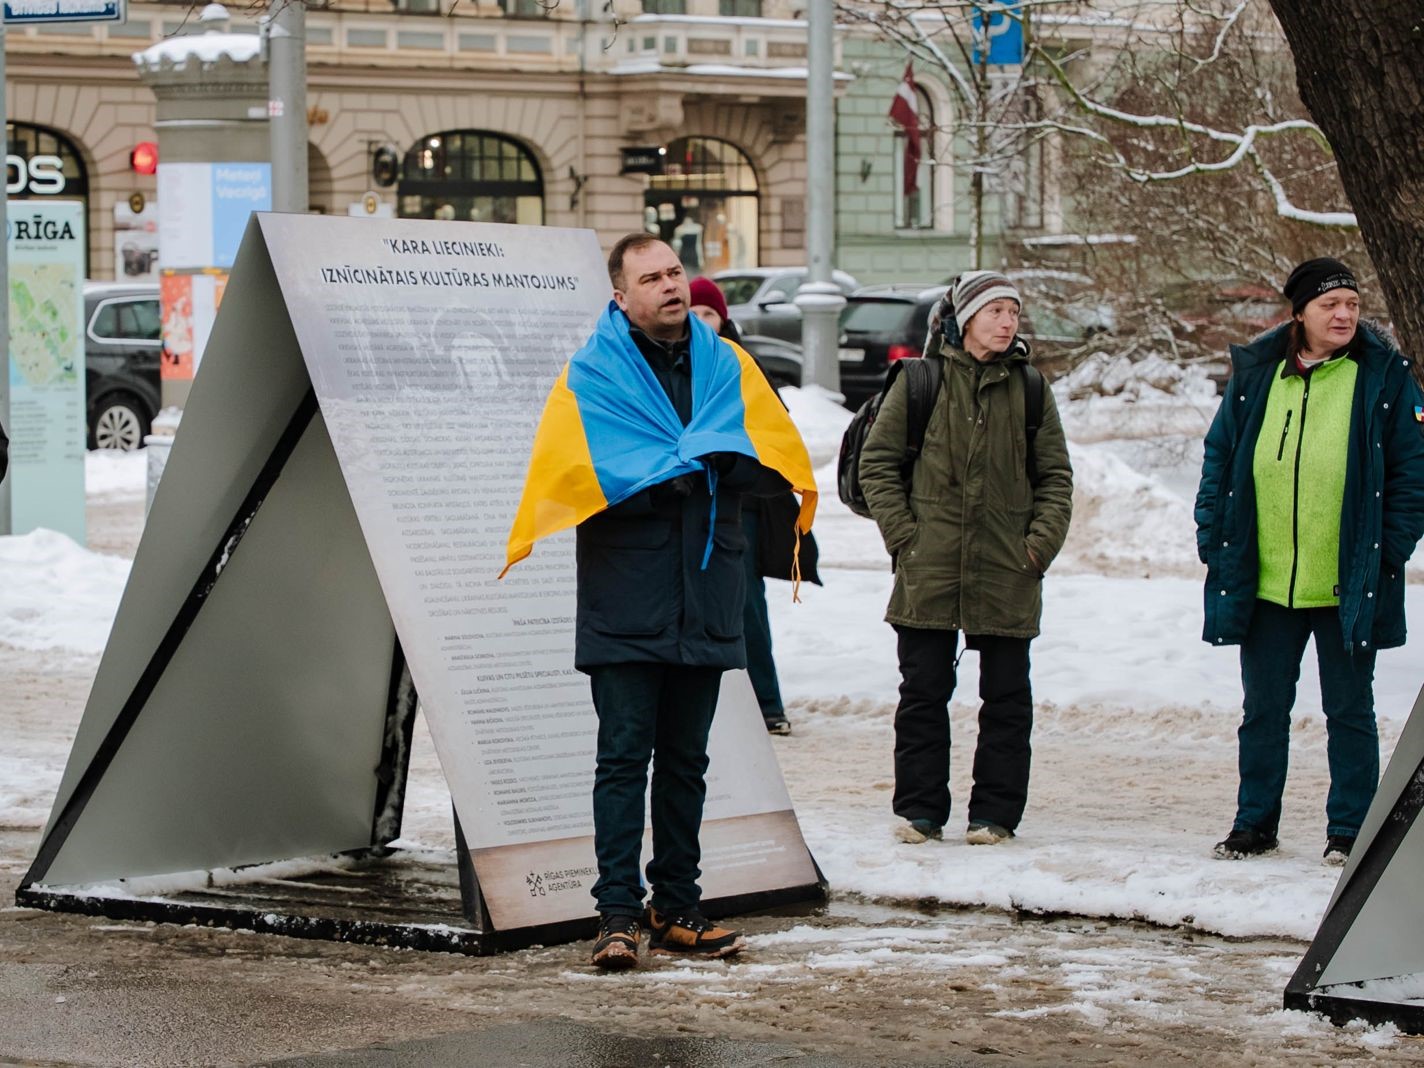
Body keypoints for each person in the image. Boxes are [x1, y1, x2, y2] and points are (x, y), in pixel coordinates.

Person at [504, 234, 816, 971]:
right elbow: (573, 478)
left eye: (676, 272)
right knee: (622, 760)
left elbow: (772, 461)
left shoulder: (729, 368)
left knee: (686, 762)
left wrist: (723, 464)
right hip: (627, 595)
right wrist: (665, 471)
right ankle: (616, 914)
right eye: (652, 278)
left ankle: (677, 905)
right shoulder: (593, 377)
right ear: (621, 296)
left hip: (705, 593)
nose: (671, 286)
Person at [1196, 257, 1424, 866]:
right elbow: (1220, 456)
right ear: (1299, 313)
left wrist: (1387, 553)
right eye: (1330, 305)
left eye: (1351, 303)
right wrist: (1213, 535)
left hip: (1349, 581)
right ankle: (1254, 825)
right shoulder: (1259, 374)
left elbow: (1413, 473)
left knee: (1350, 711)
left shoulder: (1383, 378)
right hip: (1266, 582)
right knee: (1263, 710)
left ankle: (1350, 830)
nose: (1344, 314)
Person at [858, 270, 1073, 847]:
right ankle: (921, 811)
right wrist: (906, 538)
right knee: (922, 693)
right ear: (966, 317)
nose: (1007, 322)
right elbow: (875, 465)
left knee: (1007, 698)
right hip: (929, 563)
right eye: (995, 311)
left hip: (1008, 567)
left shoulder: (1030, 389)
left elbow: (1055, 479)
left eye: (1013, 312)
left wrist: (1035, 550)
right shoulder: (920, 380)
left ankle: (995, 815)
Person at [689, 275, 793, 735]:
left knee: (746, 603)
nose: (700, 322)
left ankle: (767, 704)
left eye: (708, 313)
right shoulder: (661, 363)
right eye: (693, 313)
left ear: (723, 318)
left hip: (738, 503)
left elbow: (776, 430)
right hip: (685, 503)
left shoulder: (743, 365)